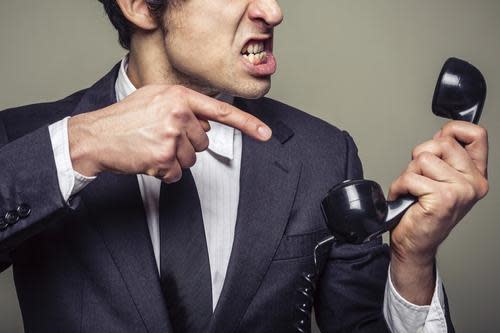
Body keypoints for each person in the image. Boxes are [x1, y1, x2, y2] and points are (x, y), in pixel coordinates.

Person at [0, 0, 488, 332]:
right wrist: (80, 145)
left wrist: (413, 261)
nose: (273, 10)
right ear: (139, 4)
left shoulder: (323, 155)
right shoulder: (27, 142)